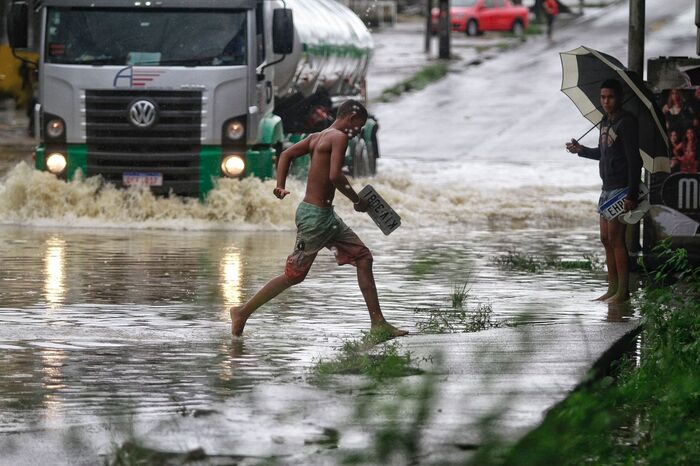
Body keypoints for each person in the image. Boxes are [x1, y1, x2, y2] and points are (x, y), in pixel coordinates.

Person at [230, 99, 408, 338]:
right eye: (358, 126)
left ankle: (378, 323)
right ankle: (242, 312)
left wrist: (280, 186)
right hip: (315, 220)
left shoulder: (317, 136)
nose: (356, 132)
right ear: (350, 118)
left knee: (363, 257)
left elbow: (286, 154)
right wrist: (357, 200)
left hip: (325, 217)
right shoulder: (339, 137)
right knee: (294, 276)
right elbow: (335, 175)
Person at [565, 79, 642, 304]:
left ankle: (623, 292)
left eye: (610, 97)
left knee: (617, 240)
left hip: (621, 189)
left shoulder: (626, 123)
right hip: (606, 188)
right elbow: (604, 153)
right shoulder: (605, 122)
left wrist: (631, 195)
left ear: (619, 98)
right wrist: (581, 150)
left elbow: (634, 160)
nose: (606, 101)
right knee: (605, 239)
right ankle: (612, 288)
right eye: (603, 97)